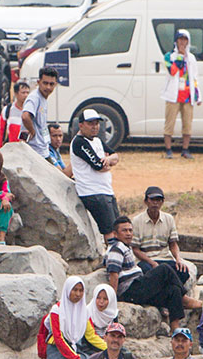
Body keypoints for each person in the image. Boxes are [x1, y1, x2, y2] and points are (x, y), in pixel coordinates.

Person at [106, 218, 193, 325]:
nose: (128, 234)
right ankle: (185, 299)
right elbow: (114, 275)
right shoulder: (116, 249)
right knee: (164, 269)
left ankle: (175, 328)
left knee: (173, 290)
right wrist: (112, 302)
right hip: (130, 290)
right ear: (115, 234)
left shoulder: (125, 247)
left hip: (138, 288)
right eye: (124, 231)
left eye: (130, 230)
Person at [68, 108, 120, 238]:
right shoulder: (79, 142)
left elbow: (116, 156)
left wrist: (108, 159)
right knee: (109, 232)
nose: (95, 127)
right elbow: (98, 166)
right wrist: (108, 163)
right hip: (93, 192)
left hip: (106, 190)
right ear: (81, 125)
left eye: (96, 123)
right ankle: (113, 257)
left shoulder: (97, 140)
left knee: (118, 229)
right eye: (90, 123)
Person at [129, 186, 191, 283]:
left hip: (164, 258)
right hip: (146, 260)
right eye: (152, 200)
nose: (155, 203)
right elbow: (135, 249)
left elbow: (173, 244)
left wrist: (178, 259)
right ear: (146, 201)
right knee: (150, 273)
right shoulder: (137, 221)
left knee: (183, 272)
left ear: (162, 202)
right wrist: (152, 262)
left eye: (158, 200)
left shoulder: (169, 219)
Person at [160, 27, 200, 158]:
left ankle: (185, 149)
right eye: (180, 40)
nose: (182, 43)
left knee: (187, 124)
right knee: (169, 122)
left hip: (188, 95)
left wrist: (198, 95)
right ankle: (168, 150)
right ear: (176, 41)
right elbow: (172, 71)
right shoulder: (169, 56)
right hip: (173, 95)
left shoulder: (192, 58)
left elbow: (195, 77)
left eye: (185, 40)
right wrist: (180, 56)